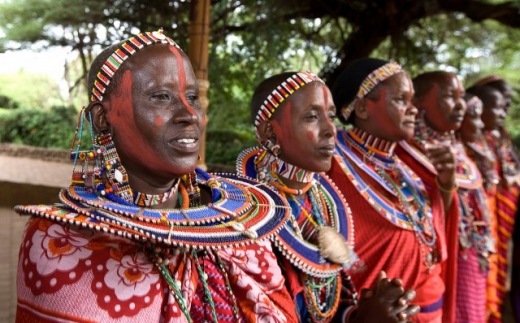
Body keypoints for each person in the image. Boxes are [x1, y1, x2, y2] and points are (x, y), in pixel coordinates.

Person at [14, 30, 299, 323]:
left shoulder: (241, 229)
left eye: (192, 97)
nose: (190, 114)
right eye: (161, 96)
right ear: (103, 118)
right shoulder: (60, 241)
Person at [236, 71, 420, 323]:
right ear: (270, 131)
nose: (330, 129)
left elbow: (336, 294)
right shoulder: (242, 215)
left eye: (331, 116)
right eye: (312, 116)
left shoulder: (322, 202)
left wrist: (367, 312)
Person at [328, 58, 456, 323]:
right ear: (362, 108)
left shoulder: (406, 165)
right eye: (401, 100)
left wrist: (445, 183)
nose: (413, 110)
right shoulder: (331, 162)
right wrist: (356, 266)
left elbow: (430, 229)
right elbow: (320, 233)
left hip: (431, 308)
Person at [407, 71, 494, 323]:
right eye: (449, 96)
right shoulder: (410, 154)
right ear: (420, 102)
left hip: (473, 257)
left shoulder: (457, 148)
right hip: (441, 265)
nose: (460, 105)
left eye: (460, 97)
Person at [467, 83, 516, 323]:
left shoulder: (494, 141)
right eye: (498, 106)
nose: (504, 112)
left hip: (493, 226)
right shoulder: (466, 147)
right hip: (476, 236)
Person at [459, 93, 501, 321]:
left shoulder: (475, 155)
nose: (481, 124)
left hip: (480, 249)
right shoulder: (451, 158)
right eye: (474, 117)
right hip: (465, 255)